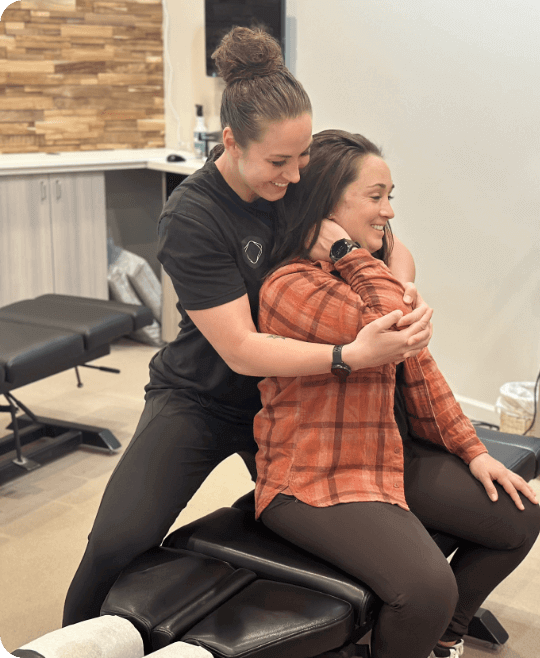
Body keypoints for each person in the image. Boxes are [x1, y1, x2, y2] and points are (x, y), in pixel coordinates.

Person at [62, 28, 433, 626]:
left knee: (355, 515)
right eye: (278, 161)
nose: (293, 176)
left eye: (304, 156)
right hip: (205, 399)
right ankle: (69, 639)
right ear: (231, 142)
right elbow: (240, 349)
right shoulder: (193, 215)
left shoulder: (295, 182)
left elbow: (389, 242)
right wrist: (349, 355)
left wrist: (402, 288)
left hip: (291, 399)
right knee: (116, 541)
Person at [254, 130, 540, 658]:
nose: (389, 211)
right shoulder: (290, 284)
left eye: (392, 196)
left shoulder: (367, 273)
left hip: (385, 455)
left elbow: (423, 373)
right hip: (314, 477)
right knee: (428, 590)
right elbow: (389, 321)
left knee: (517, 519)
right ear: (325, 205)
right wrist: (347, 248)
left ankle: (443, 637)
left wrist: (475, 452)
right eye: (376, 196)